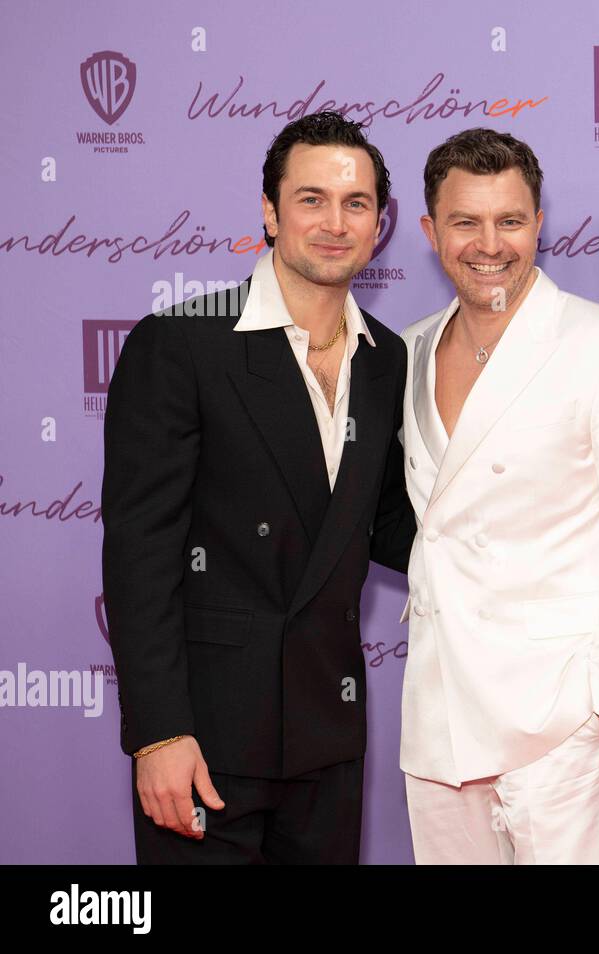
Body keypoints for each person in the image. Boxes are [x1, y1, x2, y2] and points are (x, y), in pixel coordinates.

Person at [102, 111, 415, 864]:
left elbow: (382, 528)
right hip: (204, 745)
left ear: (381, 221)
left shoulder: (387, 359)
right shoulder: (181, 344)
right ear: (270, 211)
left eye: (356, 203)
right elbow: (140, 555)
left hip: (328, 743)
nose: (334, 223)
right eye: (311, 200)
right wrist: (158, 732)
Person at [398, 128, 599, 864]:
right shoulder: (409, 348)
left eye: (511, 221)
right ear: (429, 230)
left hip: (552, 723)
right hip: (438, 716)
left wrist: (597, 708)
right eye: (465, 222)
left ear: (538, 225)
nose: (491, 244)